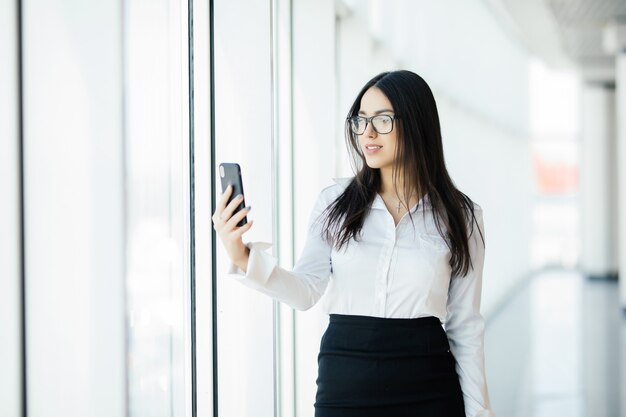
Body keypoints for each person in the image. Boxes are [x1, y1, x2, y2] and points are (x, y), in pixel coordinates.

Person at [212, 69, 494, 417]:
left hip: (427, 384)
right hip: (345, 382)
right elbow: (305, 290)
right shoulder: (334, 202)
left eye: (383, 120)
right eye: (361, 121)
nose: (368, 133)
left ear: (418, 123)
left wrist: (480, 413)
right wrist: (240, 256)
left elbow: (465, 325)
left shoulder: (462, 216)